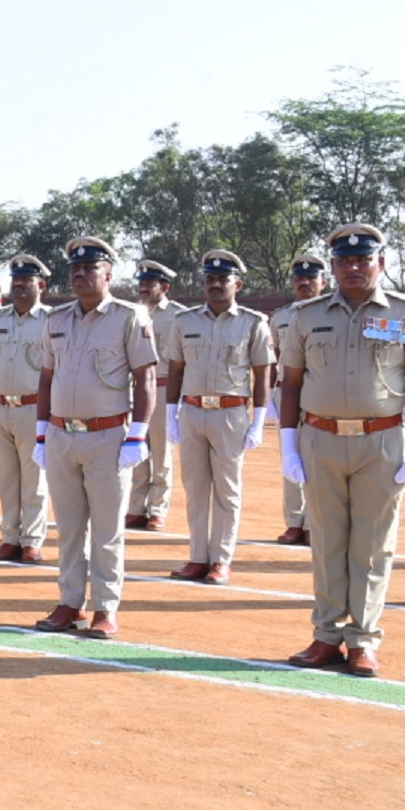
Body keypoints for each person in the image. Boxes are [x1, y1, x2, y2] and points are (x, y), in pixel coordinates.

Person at [279, 224, 405, 676]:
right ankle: (327, 635)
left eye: (363, 260)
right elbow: (290, 383)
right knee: (327, 541)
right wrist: (288, 446)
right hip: (321, 439)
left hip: (382, 442)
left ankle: (363, 639)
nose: (353, 267)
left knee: (372, 545)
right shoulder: (306, 315)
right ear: (333, 267)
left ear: (381, 263)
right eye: (344, 261)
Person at [31, 237, 159, 639]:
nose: (81, 274)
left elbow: (146, 377)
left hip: (108, 437)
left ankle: (106, 607)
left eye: (90, 268)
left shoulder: (129, 317)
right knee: (69, 527)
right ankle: (71, 602)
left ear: (109, 275)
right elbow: (46, 377)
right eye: (76, 269)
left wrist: (137, 436)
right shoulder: (56, 320)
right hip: (61, 435)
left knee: (106, 529)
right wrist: (41, 434)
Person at [162, 250, 275, 584]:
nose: (215, 284)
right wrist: (171, 415)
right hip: (192, 411)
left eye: (223, 279)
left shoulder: (253, 323)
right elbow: (175, 370)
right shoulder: (185, 322)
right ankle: (198, 557)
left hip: (231, 413)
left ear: (237, 284)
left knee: (227, 490)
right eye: (209, 279)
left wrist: (258, 421)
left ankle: (221, 559)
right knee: (195, 489)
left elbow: (263, 373)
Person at [0, 256, 53, 563]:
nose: (19, 284)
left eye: (26, 280)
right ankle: (10, 538)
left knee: (34, 480)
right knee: (7, 478)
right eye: (15, 279)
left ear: (41, 285)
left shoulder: (52, 321)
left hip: (34, 409)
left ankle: (32, 540)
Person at [126, 261, 192, 531]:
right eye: (141, 284)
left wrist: (180, 399)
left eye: (148, 284)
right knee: (136, 446)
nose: (143, 289)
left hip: (164, 389)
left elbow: (185, 359)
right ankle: (136, 507)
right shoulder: (131, 313)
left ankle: (157, 509)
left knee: (162, 453)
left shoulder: (179, 316)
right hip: (134, 389)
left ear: (164, 287)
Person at [270, 255, 330, 545]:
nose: (304, 283)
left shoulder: (334, 313)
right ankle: (295, 521)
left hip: (322, 393)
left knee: (322, 458)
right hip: (288, 393)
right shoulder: (281, 317)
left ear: (324, 282)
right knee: (290, 453)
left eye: (311, 278)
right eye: (299, 278)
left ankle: (315, 523)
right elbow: (275, 358)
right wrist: (270, 398)